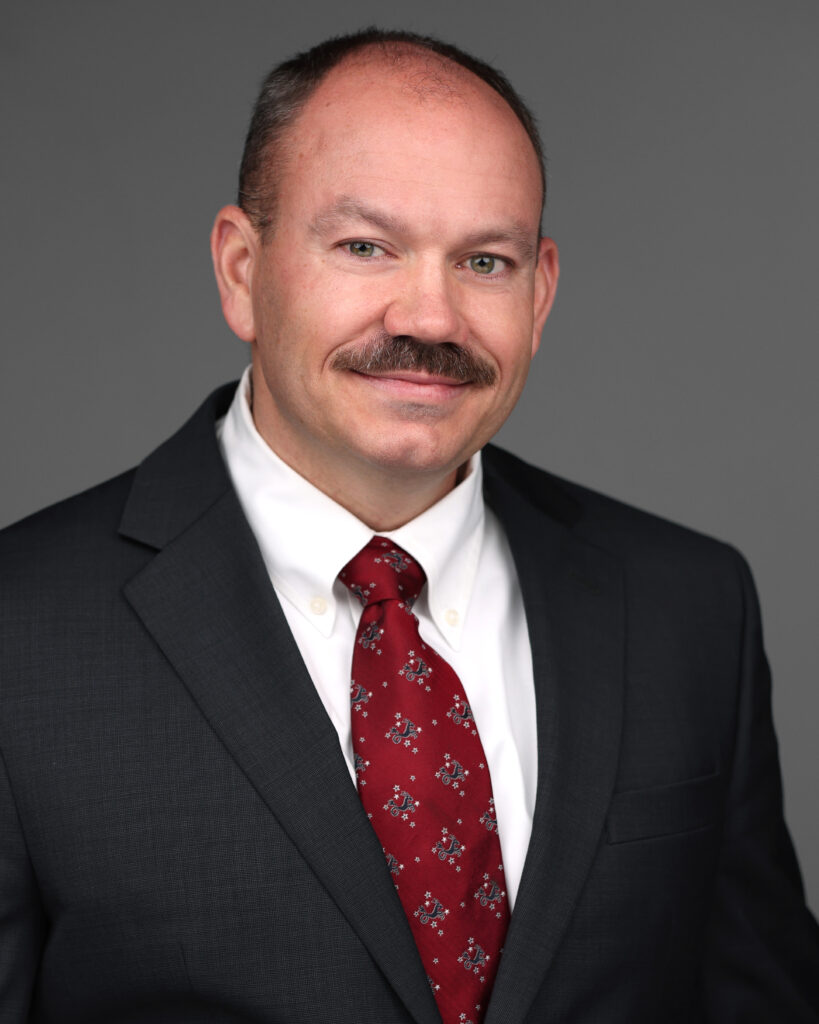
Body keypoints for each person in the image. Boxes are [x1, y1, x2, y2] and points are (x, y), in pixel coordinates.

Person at [1, 26, 817, 1024]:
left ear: (542, 290)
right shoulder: (21, 629)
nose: (430, 317)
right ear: (241, 270)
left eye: (485, 259)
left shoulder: (689, 607)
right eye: (365, 246)